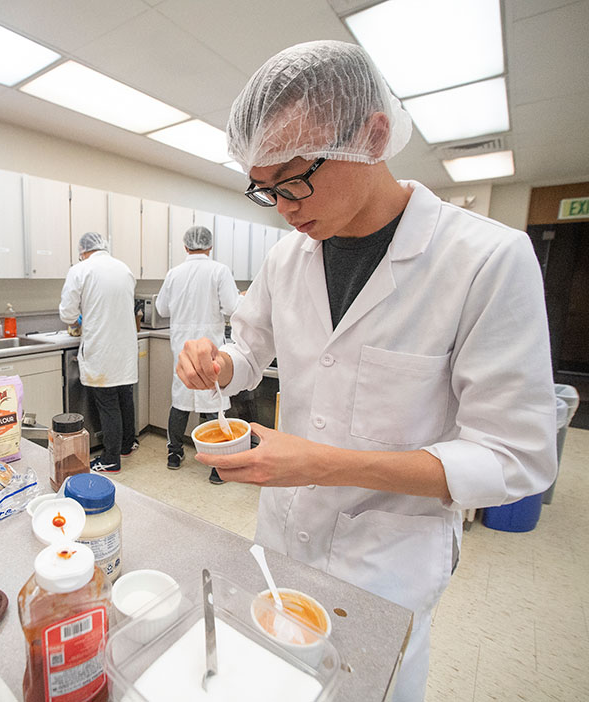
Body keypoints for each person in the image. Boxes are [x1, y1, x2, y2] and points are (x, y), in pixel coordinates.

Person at [176, 41, 557, 702]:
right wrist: (216, 362)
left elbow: (516, 457)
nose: (286, 207)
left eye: (295, 179)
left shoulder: (486, 260)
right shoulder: (286, 259)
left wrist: (320, 463)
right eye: (265, 190)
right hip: (283, 545)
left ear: (373, 136)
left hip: (388, 565)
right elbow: (250, 353)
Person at [156, 225, 240, 484]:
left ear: (185, 246)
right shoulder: (219, 270)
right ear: (210, 246)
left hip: (182, 348)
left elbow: (161, 309)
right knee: (215, 405)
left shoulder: (174, 273)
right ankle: (217, 467)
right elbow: (232, 307)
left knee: (180, 402)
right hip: (210, 349)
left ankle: (174, 454)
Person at [59, 232, 138, 474]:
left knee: (108, 405)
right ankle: (127, 444)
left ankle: (111, 458)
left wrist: (80, 316)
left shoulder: (80, 270)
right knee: (125, 397)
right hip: (125, 348)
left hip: (101, 349)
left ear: (83, 251)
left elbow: (67, 314)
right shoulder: (124, 269)